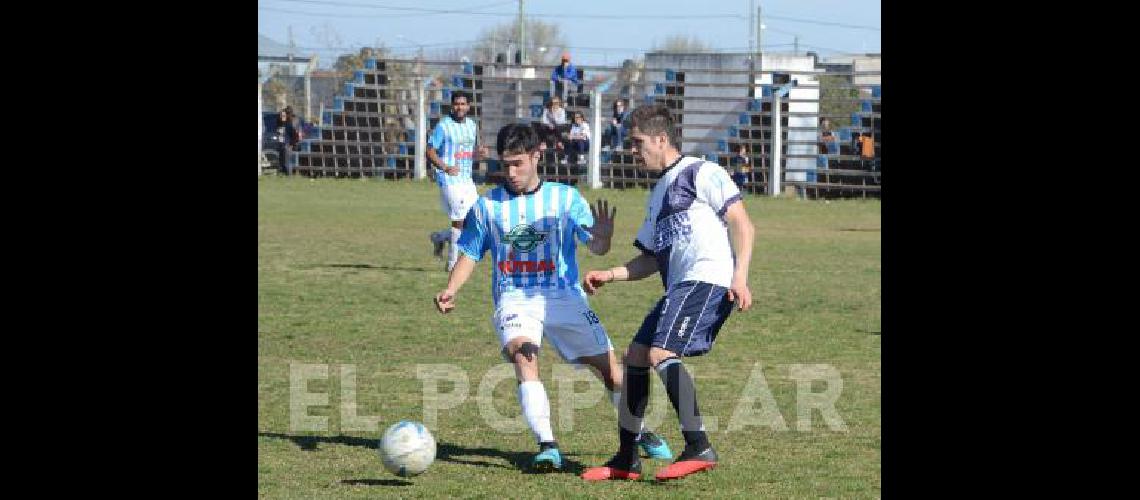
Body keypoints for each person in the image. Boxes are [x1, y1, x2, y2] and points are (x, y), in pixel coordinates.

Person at [433, 123, 672, 473]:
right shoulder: (486, 206)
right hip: (514, 297)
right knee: (523, 355)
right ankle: (547, 444)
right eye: (506, 164)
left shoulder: (565, 198)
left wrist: (603, 237)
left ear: (536, 156)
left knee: (612, 376)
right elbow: (469, 252)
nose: (511, 173)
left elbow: (596, 246)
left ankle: (640, 431)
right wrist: (451, 288)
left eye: (518, 163)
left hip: (564, 296)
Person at [579, 103, 756, 482]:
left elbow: (742, 223)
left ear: (661, 139)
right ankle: (626, 459)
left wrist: (740, 277)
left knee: (661, 351)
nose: (632, 150)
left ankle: (699, 445)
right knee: (637, 355)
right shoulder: (657, 193)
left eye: (637, 142)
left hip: (708, 279)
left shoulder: (701, 171)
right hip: (681, 285)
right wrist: (609, 274)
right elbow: (651, 260)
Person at [426, 91, 489, 270]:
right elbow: (430, 150)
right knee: (459, 220)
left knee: (475, 220)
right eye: (456, 104)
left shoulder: (472, 125)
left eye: (463, 104)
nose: (459, 107)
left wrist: (479, 154)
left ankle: (440, 238)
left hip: (466, 179)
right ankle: (453, 265)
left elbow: (467, 154)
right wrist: (445, 167)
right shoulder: (444, 126)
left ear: (468, 106)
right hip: (449, 179)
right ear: (452, 106)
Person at [276, 107, 300, 175]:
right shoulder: (283, 122)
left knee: (287, 161)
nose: (283, 116)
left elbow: (295, 134)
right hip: (283, 143)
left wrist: (292, 144)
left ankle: (288, 174)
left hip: (287, 143)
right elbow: (281, 131)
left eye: (284, 114)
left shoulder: (291, 122)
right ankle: (284, 173)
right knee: (282, 160)